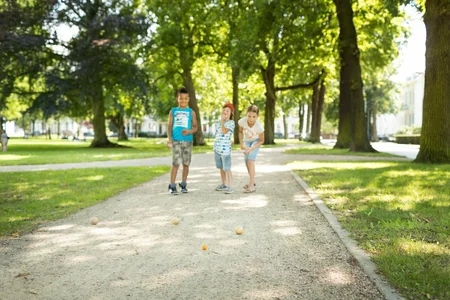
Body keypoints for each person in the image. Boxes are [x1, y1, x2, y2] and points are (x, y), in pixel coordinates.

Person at [166, 87, 198, 195]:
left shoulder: (191, 112)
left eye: (185, 99)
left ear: (188, 99)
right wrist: (169, 139)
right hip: (176, 141)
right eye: (181, 98)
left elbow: (195, 127)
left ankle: (183, 184)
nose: (183, 101)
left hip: (187, 141)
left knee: (186, 164)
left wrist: (189, 131)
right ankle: (172, 185)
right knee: (175, 163)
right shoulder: (173, 111)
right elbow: (169, 126)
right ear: (177, 99)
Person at [238, 105, 264, 193]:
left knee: (250, 161)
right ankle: (252, 181)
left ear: (257, 116)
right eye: (249, 116)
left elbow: (261, 140)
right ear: (246, 114)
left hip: (255, 142)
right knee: (246, 162)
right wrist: (241, 143)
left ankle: (251, 185)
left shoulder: (259, 127)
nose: (251, 119)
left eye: (254, 117)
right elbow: (240, 132)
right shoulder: (242, 121)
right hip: (247, 141)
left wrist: (251, 148)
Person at [214, 103, 235, 194]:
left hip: (225, 151)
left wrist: (223, 122)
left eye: (228, 111)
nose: (225, 112)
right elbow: (217, 135)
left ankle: (230, 186)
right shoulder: (218, 123)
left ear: (231, 114)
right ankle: (224, 184)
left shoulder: (231, 123)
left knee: (227, 168)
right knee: (221, 168)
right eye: (224, 110)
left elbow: (224, 131)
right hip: (217, 149)